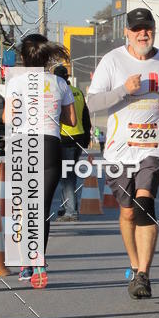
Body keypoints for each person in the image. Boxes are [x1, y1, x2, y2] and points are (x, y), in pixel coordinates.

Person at [87, 7, 159, 299]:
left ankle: (143, 275)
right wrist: (123, 90)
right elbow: (93, 104)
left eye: (147, 28)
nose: (143, 33)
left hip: (152, 146)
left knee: (143, 205)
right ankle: (135, 264)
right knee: (127, 213)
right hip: (117, 150)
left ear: (154, 30)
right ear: (126, 32)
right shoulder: (112, 61)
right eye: (136, 29)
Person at [6, 35, 76, 285]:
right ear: (48, 56)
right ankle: (37, 264)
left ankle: (25, 264)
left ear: (23, 58)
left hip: (23, 144)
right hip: (49, 145)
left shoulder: (15, 82)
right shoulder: (60, 83)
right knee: (42, 209)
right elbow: (72, 121)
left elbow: (8, 117)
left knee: (24, 208)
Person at [53, 64, 91, 222]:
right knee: (66, 174)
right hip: (79, 137)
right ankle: (65, 207)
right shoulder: (77, 91)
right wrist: (87, 137)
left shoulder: (58, 91)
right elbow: (85, 115)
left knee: (67, 176)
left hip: (65, 137)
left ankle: (71, 211)